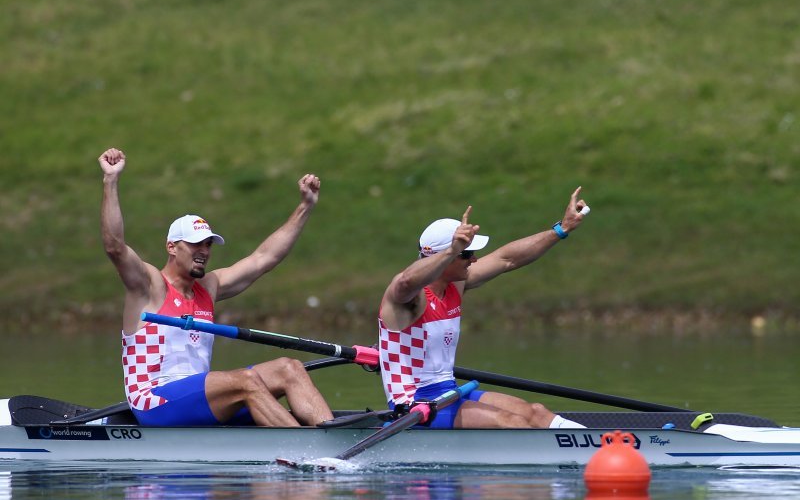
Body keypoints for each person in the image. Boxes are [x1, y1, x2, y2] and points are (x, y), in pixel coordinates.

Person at [98, 147, 333, 428]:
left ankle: (330, 442)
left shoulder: (208, 288)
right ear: (172, 247)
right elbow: (115, 247)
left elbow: (264, 258)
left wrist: (305, 206)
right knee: (246, 381)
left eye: (208, 244)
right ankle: (306, 451)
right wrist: (110, 181)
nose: (204, 251)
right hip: (154, 401)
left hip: (199, 400)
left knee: (289, 368)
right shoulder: (149, 286)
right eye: (196, 243)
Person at [378, 188, 590, 429]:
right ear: (444, 256)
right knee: (509, 422)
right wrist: (452, 250)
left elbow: (506, 259)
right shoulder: (407, 298)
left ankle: (594, 451)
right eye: (467, 254)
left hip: (448, 393)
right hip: (414, 405)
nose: (474, 260)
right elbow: (406, 280)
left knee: (534, 413)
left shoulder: (455, 285)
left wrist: (562, 229)